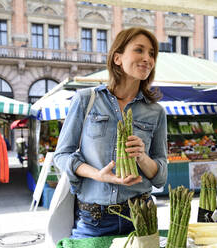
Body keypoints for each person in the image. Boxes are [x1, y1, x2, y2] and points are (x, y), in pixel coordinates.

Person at [53, 27, 168, 239]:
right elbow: (61, 155)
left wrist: (142, 157)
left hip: (141, 216)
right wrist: (98, 175)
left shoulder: (156, 112)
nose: (147, 58)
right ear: (117, 58)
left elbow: (160, 177)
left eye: (151, 54)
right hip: (93, 218)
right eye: (139, 50)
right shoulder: (86, 100)